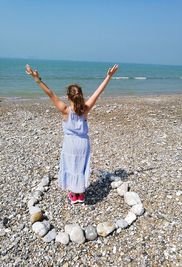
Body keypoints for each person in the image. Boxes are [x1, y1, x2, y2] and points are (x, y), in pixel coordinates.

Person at [25, 63, 119, 204]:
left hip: (70, 143)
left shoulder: (64, 109)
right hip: (83, 143)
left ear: (68, 96)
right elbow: (97, 93)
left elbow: (50, 93)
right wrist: (108, 76)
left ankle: (73, 194)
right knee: (81, 166)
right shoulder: (85, 109)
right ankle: (80, 194)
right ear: (81, 96)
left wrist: (37, 79)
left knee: (70, 166)